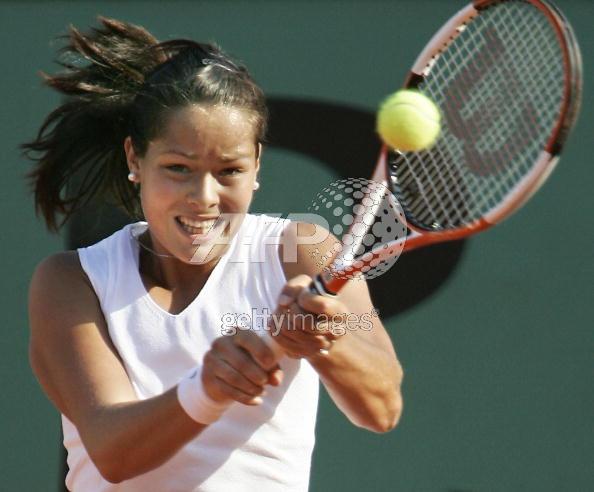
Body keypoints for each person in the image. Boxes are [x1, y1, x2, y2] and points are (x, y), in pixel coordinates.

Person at [23, 16, 403, 491]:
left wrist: (329, 341)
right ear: (134, 160)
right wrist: (209, 387)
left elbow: (383, 406)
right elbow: (111, 452)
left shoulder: (302, 250)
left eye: (229, 171)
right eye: (178, 168)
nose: (204, 196)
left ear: (257, 166)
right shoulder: (70, 282)